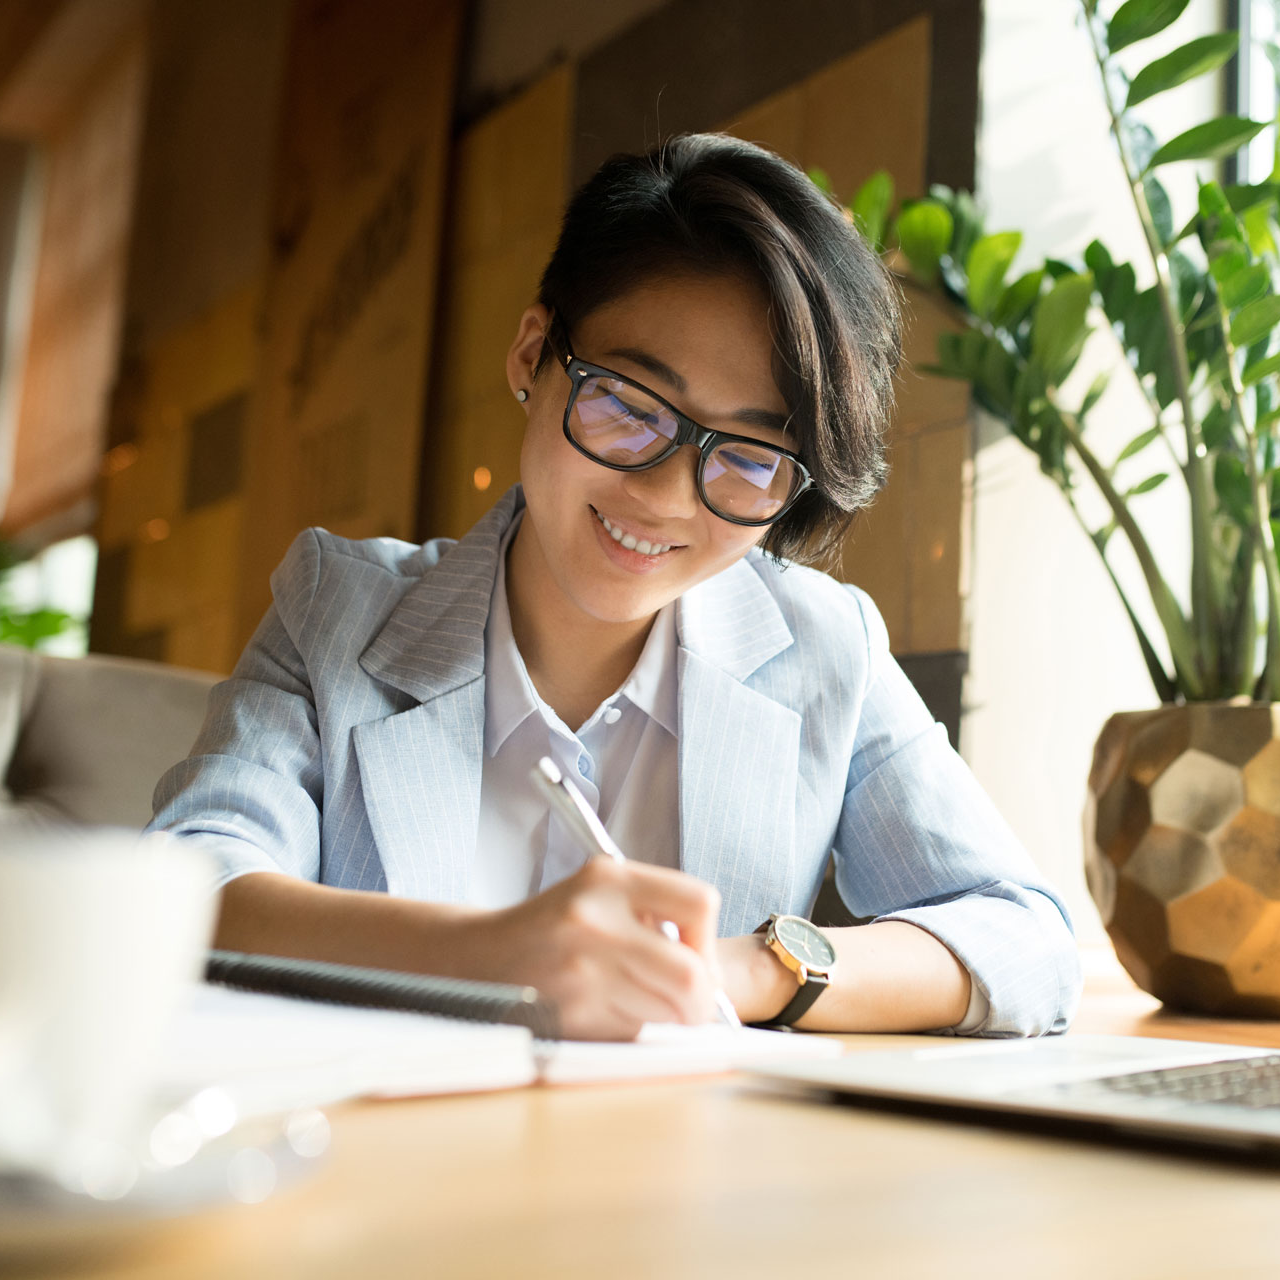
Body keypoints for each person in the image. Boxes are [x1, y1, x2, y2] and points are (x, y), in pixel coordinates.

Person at [150, 134, 1079, 1041]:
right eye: (630, 407)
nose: (667, 497)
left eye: (751, 457)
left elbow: (1026, 939)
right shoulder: (336, 608)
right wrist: (496, 957)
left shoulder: (825, 644)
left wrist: (746, 968)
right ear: (532, 355)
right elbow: (188, 887)